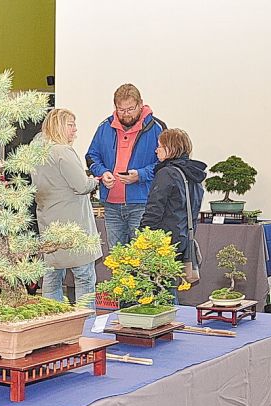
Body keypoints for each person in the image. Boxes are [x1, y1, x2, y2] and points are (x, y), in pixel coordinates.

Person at [30, 108, 100, 305]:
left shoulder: (37, 151)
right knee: (84, 277)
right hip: (73, 223)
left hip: (48, 220)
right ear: (59, 125)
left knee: (52, 278)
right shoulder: (63, 151)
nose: (75, 130)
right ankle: (85, 324)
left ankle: (53, 322)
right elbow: (81, 185)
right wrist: (94, 181)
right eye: (71, 125)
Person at [85, 83, 166, 248]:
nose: (126, 114)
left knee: (141, 257)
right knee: (116, 257)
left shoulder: (157, 128)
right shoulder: (104, 127)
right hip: (111, 205)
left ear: (140, 104)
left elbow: (165, 163)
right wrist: (103, 173)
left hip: (142, 204)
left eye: (130, 109)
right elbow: (91, 156)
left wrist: (141, 175)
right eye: (121, 110)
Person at [141, 128, 207, 288]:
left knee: (159, 289)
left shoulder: (166, 174)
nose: (156, 150)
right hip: (182, 238)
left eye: (159, 146)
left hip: (163, 240)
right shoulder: (193, 176)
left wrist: (142, 237)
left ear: (170, 149)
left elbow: (154, 210)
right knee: (169, 287)